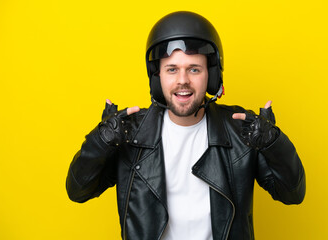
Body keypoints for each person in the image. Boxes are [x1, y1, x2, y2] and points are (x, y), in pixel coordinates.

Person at [66, 11, 306, 240]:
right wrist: (101, 141)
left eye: (194, 69)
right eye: (172, 69)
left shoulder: (241, 130)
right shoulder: (128, 132)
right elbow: (78, 191)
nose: (183, 81)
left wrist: (273, 143)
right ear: (157, 77)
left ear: (211, 76)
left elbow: (292, 194)